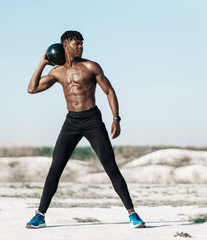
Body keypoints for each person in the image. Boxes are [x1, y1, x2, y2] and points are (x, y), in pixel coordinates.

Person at [26, 30, 145, 229]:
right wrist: (42, 63)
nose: (80, 47)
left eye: (81, 43)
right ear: (65, 45)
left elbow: (109, 91)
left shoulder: (91, 66)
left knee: (110, 166)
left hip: (92, 120)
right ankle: (40, 215)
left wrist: (116, 118)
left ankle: (133, 214)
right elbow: (32, 88)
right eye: (76, 44)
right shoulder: (57, 72)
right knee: (55, 168)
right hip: (71, 121)